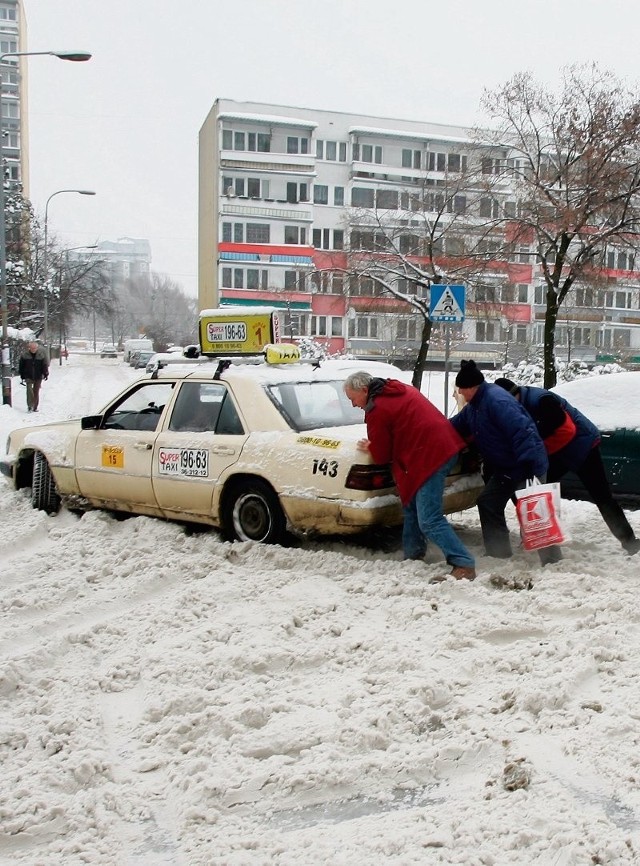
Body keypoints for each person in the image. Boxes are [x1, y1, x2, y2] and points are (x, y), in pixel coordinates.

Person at [343, 370, 476, 581]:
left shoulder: (377, 409)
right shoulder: (397, 388)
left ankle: (464, 563)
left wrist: (371, 447)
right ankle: (413, 554)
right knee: (412, 504)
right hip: (443, 445)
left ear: (365, 390)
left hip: (430, 456)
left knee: (429, 519)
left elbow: (382, 455)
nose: (353, 404)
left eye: (352, 398)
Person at [494, 377, 640, 556]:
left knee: (601, 496)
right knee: (532, 490)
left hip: (583, 445)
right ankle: (539, 535)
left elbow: (562, 429)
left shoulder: (542, 400)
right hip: (560, 450)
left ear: (515, 394)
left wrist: (535, 448)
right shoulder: (518, 404)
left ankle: (630, 542)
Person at [449, 360, 554, 563]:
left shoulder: (497, 401)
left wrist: (527, 465)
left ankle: (552, 562)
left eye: (462, 389)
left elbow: (523, 431)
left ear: (472, 387)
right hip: (507, 467)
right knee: (488, 502)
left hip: (526, 464)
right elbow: (456, 425)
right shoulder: (475, 405)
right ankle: (499, 553)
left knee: (534, 511)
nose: (460, 393)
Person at [18, 340, 49, 413]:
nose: (33, 350)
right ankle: (30, 406)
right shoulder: (25, 355)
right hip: (28, 375)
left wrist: (45, 374)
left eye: (35, 348)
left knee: (36, 391)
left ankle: (35, 406)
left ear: (37, 348)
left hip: (38, 376)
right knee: (29, 391)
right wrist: (22, 375)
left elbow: (44, 365)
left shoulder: (41, 355)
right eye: (32, 348)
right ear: (29, 348)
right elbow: (21, 366)